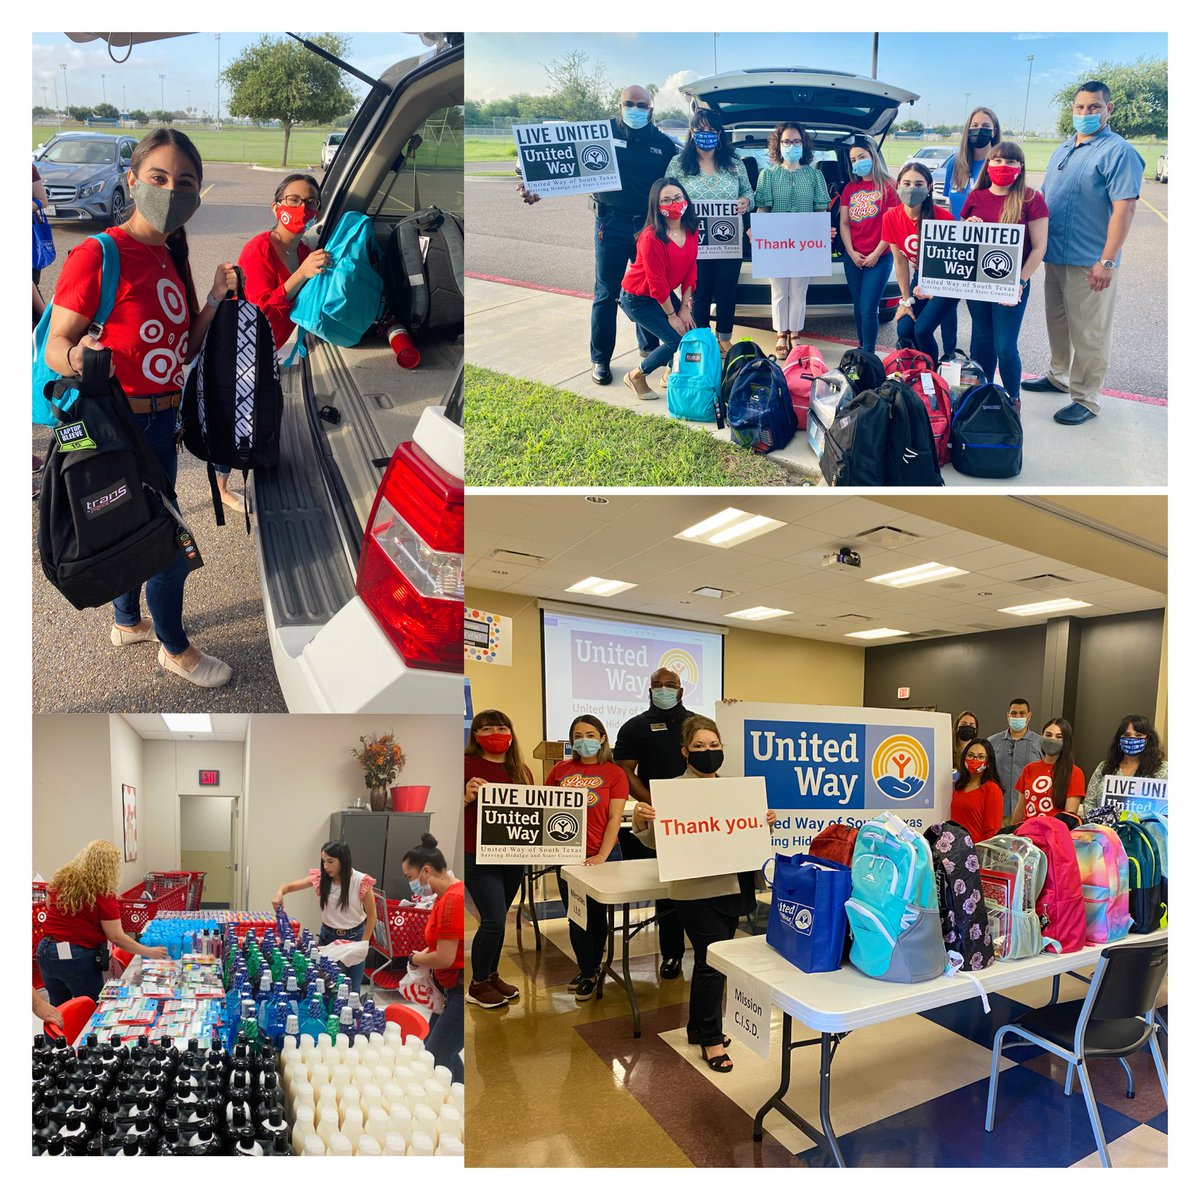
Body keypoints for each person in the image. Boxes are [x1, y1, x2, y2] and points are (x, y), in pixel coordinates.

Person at [45, 128, 237, 689]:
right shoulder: (97, 254)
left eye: (185, 184)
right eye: (158, 178)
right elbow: (57, 346)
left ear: (196, 197)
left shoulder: (171, 255)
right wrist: (82, 356)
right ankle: (174, 649)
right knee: (168, 547)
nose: (170, 191)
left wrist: (213, 301)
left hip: (163, 423)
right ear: (132, 180)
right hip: (119, 426)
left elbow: (186, 346)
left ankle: (128, 621)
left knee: (134, 530)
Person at [631, 715, 774, 1073]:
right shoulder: (674, 791)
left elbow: (743, 839)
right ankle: (711, 1038)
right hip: (696, 891)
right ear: (684, 751)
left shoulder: (734, 792)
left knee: (715, 962)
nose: (707, 752)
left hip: (733, 885)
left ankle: (698, 1027)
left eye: (713, 746)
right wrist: (642, 820)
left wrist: (762, 823)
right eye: (698, 746)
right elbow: (655, 843)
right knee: (713, 964)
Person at [519, 85, 677, 386]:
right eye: (629, 103)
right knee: (606, 293)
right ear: (619, 105)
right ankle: (601, 359)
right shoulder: (597, 134)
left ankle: (649, 346)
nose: (635, 109)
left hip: (647, 227)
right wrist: (536, 187)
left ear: (651, 109)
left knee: (650, 287)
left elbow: (679, 181)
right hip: (611, 224)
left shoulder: (664, 144)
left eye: (642, 105)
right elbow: (560, 168)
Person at [1024, 81, 1144, 426]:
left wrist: (1106, 261)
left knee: (1090, 332)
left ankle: (1087, 398)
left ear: (1109, 109)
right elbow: (1046, 199)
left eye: (1094, 107)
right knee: (1058, 323)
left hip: (1090, 261)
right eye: (1080, 108)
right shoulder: (1063, 149)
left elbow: (1125, 210)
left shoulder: (1118, 152)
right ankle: (1059, 375)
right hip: (1056, 256)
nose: (1086, 113)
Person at [613, 668, 694, 979]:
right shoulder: (635, 727)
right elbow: (624, 769)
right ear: (649, 690)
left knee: (700, 883)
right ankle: (672, 954)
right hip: (659, 819)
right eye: (658, 685)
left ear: (680, 690)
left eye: (670, 685)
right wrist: (652, 800)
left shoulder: (694, 723)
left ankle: (705, 950)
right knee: (667, 888)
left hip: (697, 816)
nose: (664, 689)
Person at [545, 715, 628, 1001]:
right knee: (577, 917)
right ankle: (587, 970)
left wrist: (603, 855)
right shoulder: (559, 770)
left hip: (604, 854)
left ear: (603, 738)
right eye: (578, 735)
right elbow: (546, 811)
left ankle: (593, 965)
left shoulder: (614, 773)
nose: (585, 740)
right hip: (567, 855)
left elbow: (615, 818)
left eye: (591, 734)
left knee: (597, 916)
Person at [960, 142, 1049, 403]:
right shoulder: (976, 197)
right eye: (997, 160)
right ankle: (983, 394)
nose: (1003, 166)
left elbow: (1039, 247)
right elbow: (961, 239)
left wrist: (1020, 281)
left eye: (1011, 161)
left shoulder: (1031, 198)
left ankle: (1013, 399)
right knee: (982, 341)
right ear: (988, 164)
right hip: (978, 283)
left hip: (1011, 284)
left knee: (1005, 347)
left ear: (1020, 167)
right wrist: (967, 225)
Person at [665, 109, 753, 359]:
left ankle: (724, 340)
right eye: (700, 130)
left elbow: (749, 192)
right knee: (698, 292)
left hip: (728, 240)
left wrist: (746, 201)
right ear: (691, 132)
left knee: (727, 291)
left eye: (711, 131)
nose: (705, 135)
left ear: (720, 134)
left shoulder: (734, 163)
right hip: (693, 240)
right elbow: (667, 194)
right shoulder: (678, 164)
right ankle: (701, 338)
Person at [35, 840, 168, 1005]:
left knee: (58, 1009)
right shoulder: (103, 894)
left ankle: (60, 1031)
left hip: (45, 950)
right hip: (75, 954)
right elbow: (117, 937)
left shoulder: (63, 880)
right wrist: (149, 951)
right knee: (92, 1005)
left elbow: (49, 904)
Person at [463, 709, 533, 1008]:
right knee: (491, 920)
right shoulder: (464, 765)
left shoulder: (521, 769)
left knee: (499, 919)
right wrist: (465, 796)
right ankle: (477, 985)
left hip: (513, 854)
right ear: (476, 735)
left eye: (502, 728)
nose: (495, 734)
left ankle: (491, 975)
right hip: (478, 855)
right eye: (488, 729)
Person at [753, 122, 831, 357]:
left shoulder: (815, 176)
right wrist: (757, 231)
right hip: (776, 244)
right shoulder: (767, 175)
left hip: (805, 244)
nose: (791, 146)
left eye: (796, 141)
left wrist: (824, 232)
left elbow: (821, 210)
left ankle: (795, 333)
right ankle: (780, 334)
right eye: (786, 141)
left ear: (803, 144)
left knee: (799, 290)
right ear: (778, 145)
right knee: (778, 290)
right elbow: (763, 210)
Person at [618, 178, 698, 401]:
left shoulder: (691, 228)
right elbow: (656, 282)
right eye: (666, 200)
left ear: (685, 199)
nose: (674, 203)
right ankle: (636, 375)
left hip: (659, 295)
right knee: (675, 340)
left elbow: (691, 268)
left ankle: (669, 374)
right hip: (637, 297)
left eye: (678, 197)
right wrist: (672, 315)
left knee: (688, 330)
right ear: (656, 205)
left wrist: (684, 307)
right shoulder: (651, 237)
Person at [271, 841, 378, 997]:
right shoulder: (321, 878)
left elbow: (372, 915)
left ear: (343, 860)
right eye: (323, 861)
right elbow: (288, 887)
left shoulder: (360, 881)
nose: (326, 866)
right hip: (328, 936)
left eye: (330, 861)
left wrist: (364, 943)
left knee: (352, 988)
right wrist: (279, 892)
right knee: (326, 986)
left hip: (355, 937)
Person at [939, 106, 1002, 355]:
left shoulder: (998, 163)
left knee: (981, 317)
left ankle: (979, 366)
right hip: (955, 246)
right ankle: (949, 355)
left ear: (995, 131)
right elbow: (944, 204)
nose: (980, 131)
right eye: (975, 126)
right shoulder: (956, 164)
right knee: (946, 310)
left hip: (985, 248)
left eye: (986, 127)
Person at [402, 833, 463, 1085]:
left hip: (459, 989)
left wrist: (417, 958)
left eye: (410, 877)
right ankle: (460, 1086)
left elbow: (446, 957)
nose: (411, 883)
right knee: (435, 1046)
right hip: (449, 990)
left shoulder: (452, 900)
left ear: (426, 871)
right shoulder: (442, 897)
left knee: (434, 1054)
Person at [883, 160, 954, 364]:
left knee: (922, 330)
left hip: (945, 283)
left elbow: (953, 265)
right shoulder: (891, 217)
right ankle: (916, 368)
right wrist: (905, 301)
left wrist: (933, 290)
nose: (912, 189)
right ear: (898, 186)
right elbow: (900, 262)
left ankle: (932, 374)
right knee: (905, 329)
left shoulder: (943, 218)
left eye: (919, 184)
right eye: (906, 184)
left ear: (929, 188)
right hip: (920, 280)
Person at [838, 138, 898, 353]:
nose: (857, 162)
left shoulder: (890, 186)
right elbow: (844, 223)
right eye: (853, 159)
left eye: (861, 157)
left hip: (880, 257)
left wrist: (875, 253)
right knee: (858, 308)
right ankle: (862, 349)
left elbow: (893, 225)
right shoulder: (850, 188)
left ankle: (869, 355)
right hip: (853, 256)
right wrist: (851, 252)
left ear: (873, 156)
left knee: (868, 308)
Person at [1082, 714, 1169, 818]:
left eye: (1138, 735)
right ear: (1119, 739)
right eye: (1127, 735)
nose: (1132, 739)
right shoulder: (1104, 767)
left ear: (1148, 740)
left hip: (1146, 832)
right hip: (1106, 831)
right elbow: (1089, 803)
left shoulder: (1163, 769)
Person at [1015, 717, 1085, 822]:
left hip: (1054, 834)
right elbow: (1020, 809)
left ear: (1066, 741)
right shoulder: (1029, 769)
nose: (1052, 739)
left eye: (1059, 737)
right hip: (1026, 833)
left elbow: (1069, 817)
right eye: (1048, 735)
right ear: (1041, 736)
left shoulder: (1074, 773)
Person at [987, 697, 1043, 824]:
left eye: (1022, 713)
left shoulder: (1040, 743)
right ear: (1008, 716)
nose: (1017, 717)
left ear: (1029, 716)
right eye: (1013, 713)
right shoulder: (992, 742)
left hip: (1029, 814)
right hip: (997, 812)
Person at [951, 740, 1004, 845]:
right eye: (970, 755)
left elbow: (992, 830)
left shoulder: (992, 789)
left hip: (977, 852)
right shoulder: (959, 787)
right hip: (954, 849)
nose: (974, 760)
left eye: (980, 757)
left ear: (989, 762)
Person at [952, 710, 980, 784]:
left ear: (975, 730)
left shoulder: (979, 754)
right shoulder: (947, 751)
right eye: (964, 724)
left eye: (971, 725)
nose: (967, 727)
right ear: (957, 727)